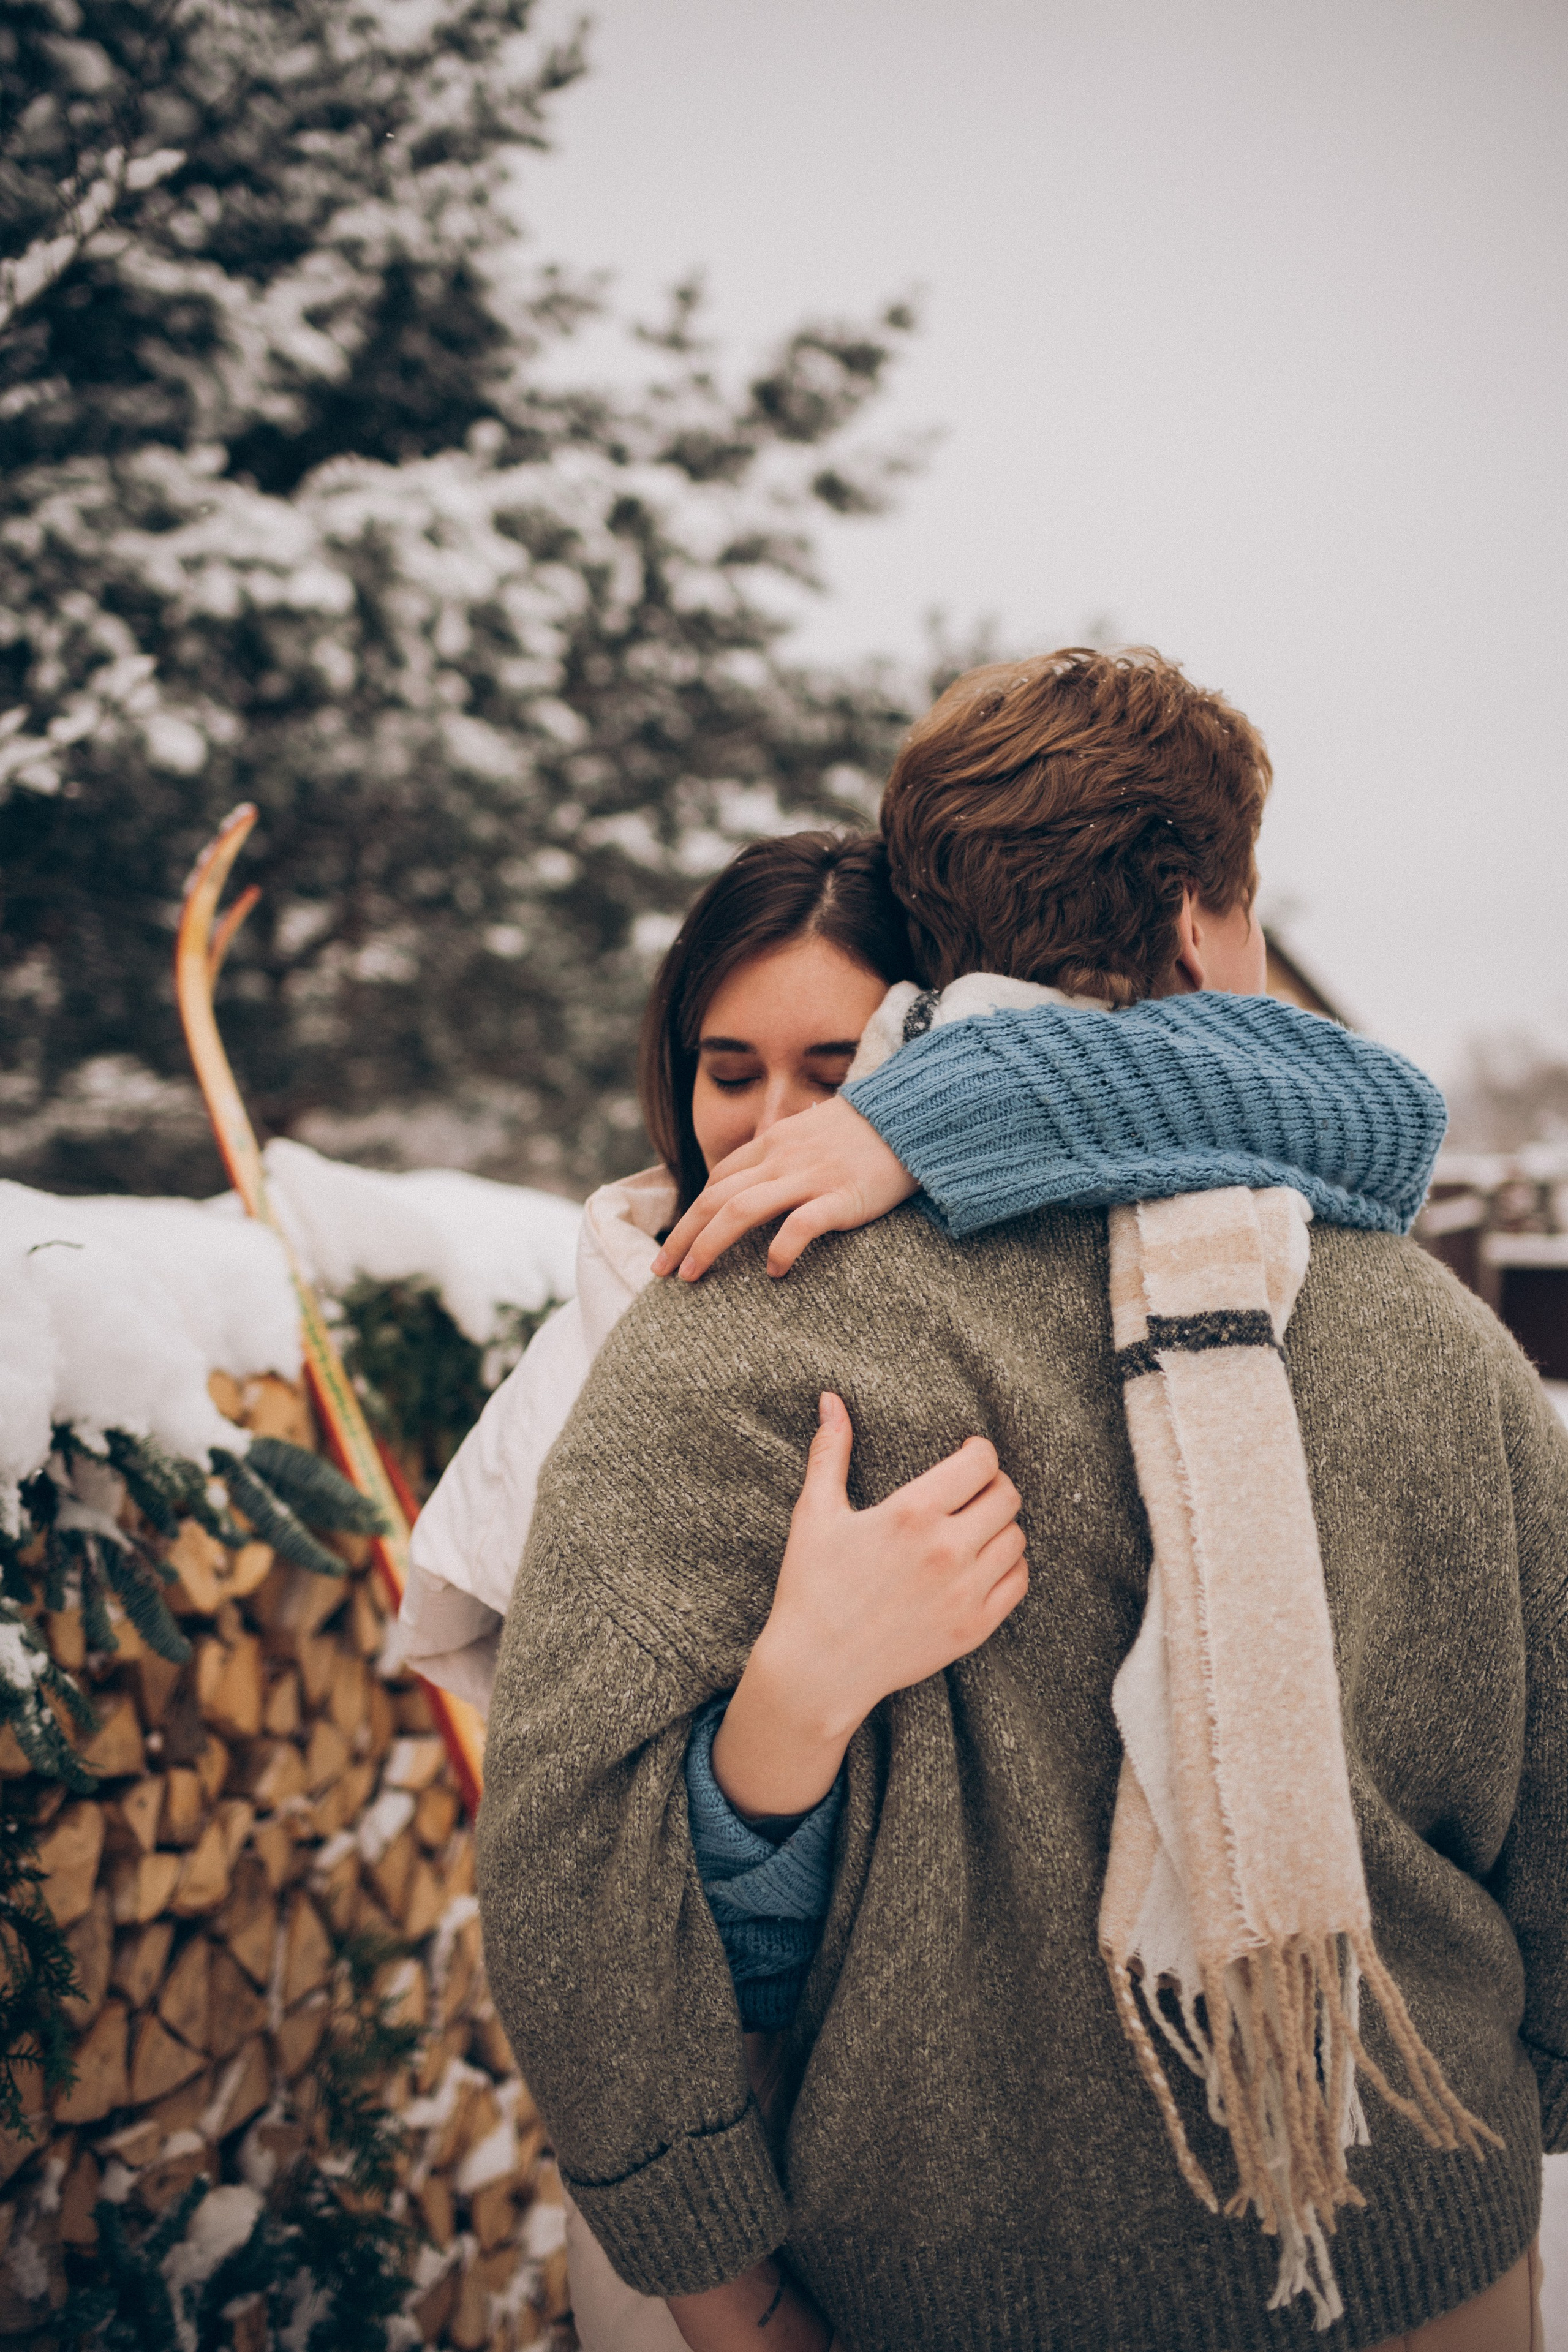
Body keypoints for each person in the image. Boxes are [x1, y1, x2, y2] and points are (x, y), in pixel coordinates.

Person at [477, 647, 1562, 2350]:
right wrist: (1532, 2098)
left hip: (924, 2274)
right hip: (1416, 2230)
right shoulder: (1435, 1333)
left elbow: (563, 1861)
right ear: (1208, 916)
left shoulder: (725, 1334)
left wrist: (715, 2277)